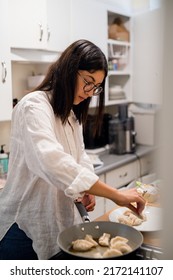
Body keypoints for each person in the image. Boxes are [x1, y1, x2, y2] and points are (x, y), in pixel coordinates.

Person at [0, 39, 145, 260]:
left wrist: (87, 188)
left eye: (95, 86)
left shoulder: (70, 114)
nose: (89, 92)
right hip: (22, 228)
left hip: (55, 223)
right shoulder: (33, 106)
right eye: (88, 81)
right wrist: (115, 194)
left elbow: (80, 157)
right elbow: (52, 161)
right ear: (69, 69)